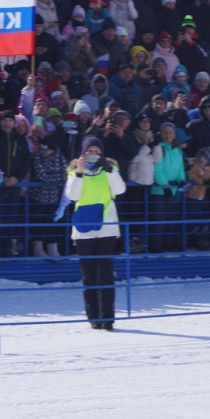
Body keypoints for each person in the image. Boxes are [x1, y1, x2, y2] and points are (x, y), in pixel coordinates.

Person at [64, 135, 125, 330]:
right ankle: (93, 317)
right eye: (89, 151)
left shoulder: (110, 170)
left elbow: (120, 190)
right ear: (82, 154)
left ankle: (107, 318)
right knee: (89, 274)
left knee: (105, 273)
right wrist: (80, 173)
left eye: (96, 152)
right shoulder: (74, 172)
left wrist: (109, 171)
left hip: (106, 227)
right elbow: (72, 196)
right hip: (83, 229)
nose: (93, 155)